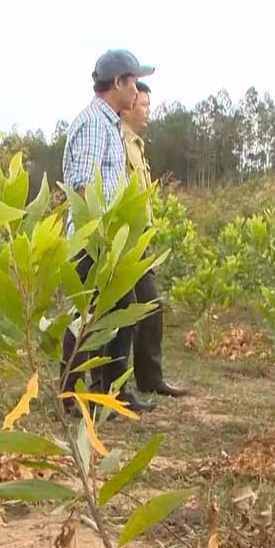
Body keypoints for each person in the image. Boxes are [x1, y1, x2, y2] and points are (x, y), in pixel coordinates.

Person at [60, 49, 156, 413]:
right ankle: (72, 397)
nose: (137, 91)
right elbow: (84, 187)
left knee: (121, 309)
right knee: (85, 317)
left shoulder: (111, 124)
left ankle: (113, 392)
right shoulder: (93, 125)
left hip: (108, 239)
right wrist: (101, 235)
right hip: (92, 241)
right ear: (117, 82)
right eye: (133, 82)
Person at [120, 81, 189, 398]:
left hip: (140, 240)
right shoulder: (118, 140)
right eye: (143, 105)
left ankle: (150, 378)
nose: (148, 112)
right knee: (124, 312)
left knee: (150, 308)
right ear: (128, 105)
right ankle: (112, 386)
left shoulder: (136, 144)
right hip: (123, 240)